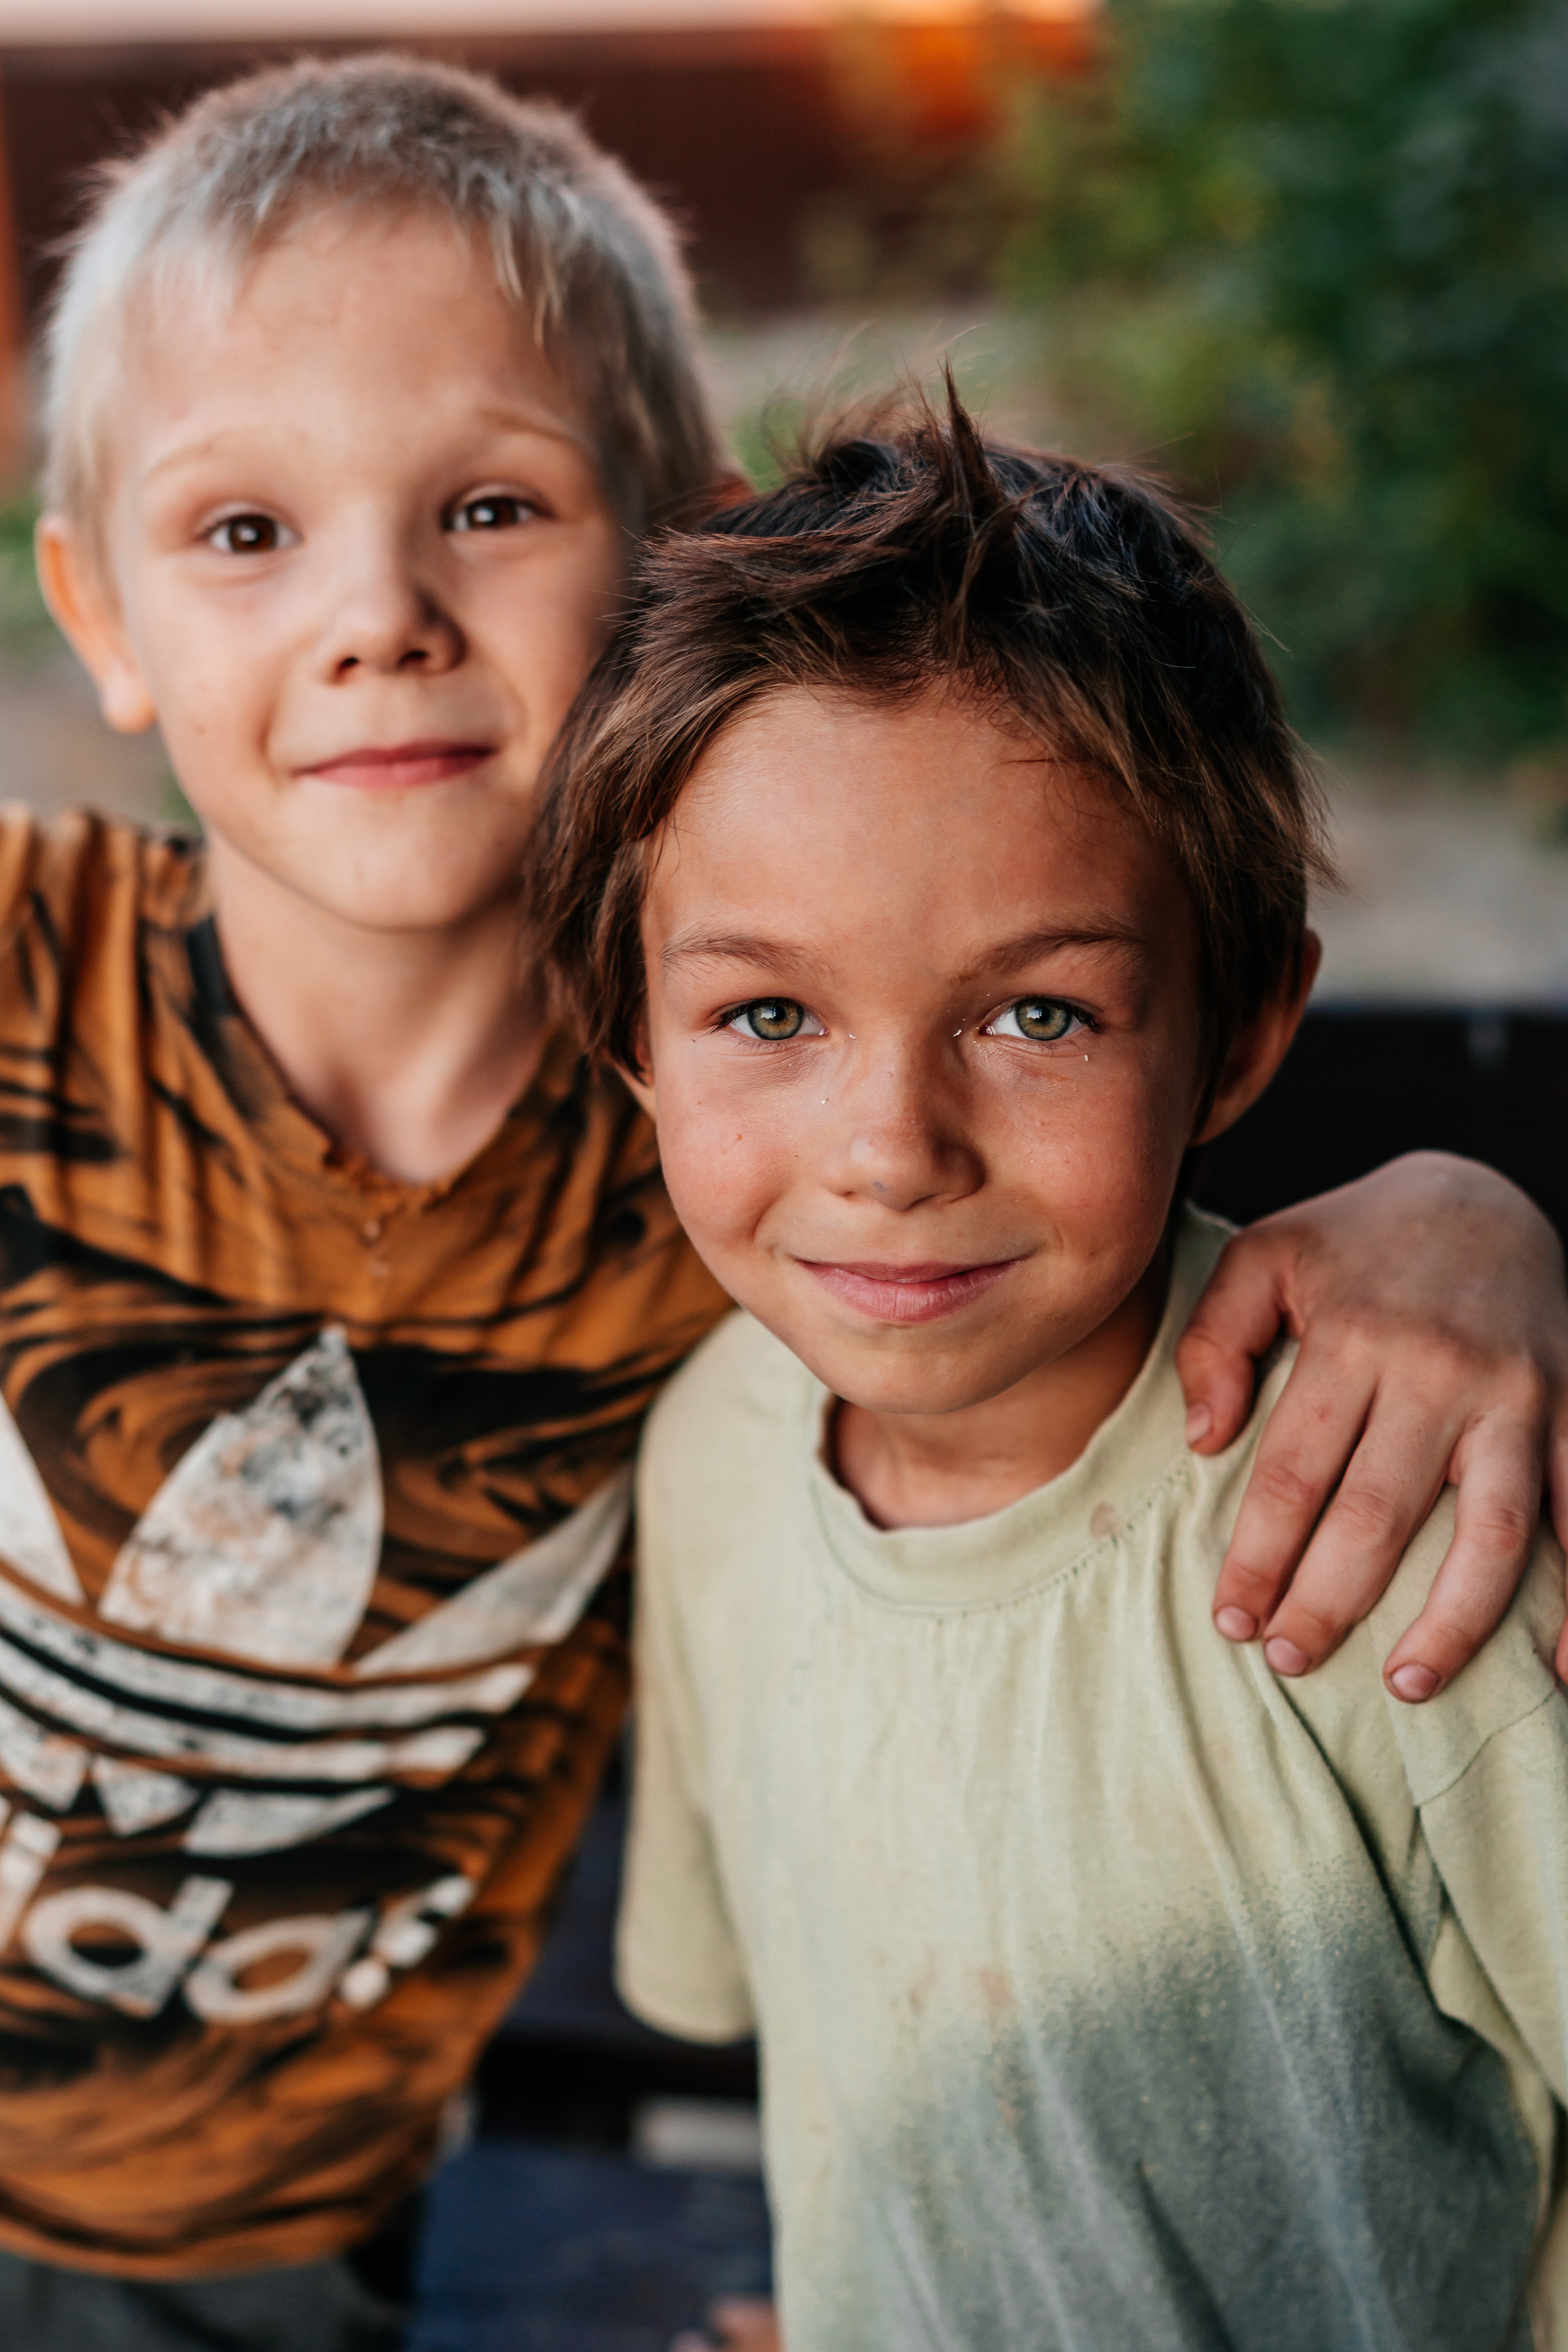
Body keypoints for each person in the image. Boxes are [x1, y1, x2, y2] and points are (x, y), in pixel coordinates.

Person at [2, 50, 1564, 2352]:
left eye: (495, 511)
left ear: (676, 563)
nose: (381, 617)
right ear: (96, 608)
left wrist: (1480, 1213)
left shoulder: (738, 1203)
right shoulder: (41, 976)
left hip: (245, 2243)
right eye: (248, 531)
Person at [530, 393, 1568, 2351]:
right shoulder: (719, 1454)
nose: (893, 1147)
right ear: (633, 1040)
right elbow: (884, 2080)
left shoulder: (1379, 1530)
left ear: (1242, 1032)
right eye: (768, 1011)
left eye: (1034, 1012)